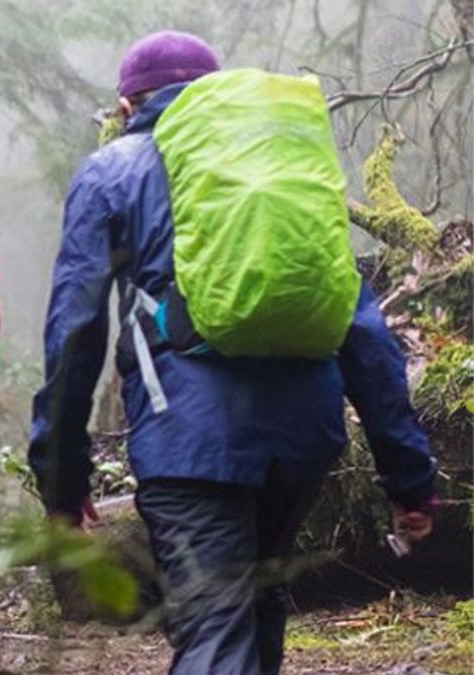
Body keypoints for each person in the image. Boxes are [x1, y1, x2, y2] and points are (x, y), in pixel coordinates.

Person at [29, 31, 437, 674]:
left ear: (128, 105)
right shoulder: (280, 168)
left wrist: (61, 475)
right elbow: (363, 330)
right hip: (304, 436)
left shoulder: (113, 169)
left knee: (215, 628)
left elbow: (76, 327)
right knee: (258, 603)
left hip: (188, 441)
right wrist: (409, 476)